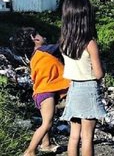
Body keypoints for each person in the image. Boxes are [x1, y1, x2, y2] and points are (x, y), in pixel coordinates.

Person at [59, 0, 106, 156]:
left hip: (73, 88)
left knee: (73, 136)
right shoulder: (90, 43)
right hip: (88, 89)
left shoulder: (64, 41)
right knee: (87, 137)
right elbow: (99, 73)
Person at [11, 27, 70, 156]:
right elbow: (62, 45)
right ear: (35, 38)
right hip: (47, 92)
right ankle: (30, 151)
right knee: (47, 123)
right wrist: (69, 31)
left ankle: (46, 144)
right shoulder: (44, 50)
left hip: (41, 92)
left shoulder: (34, 57)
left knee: (47, 118)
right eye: (40, 34)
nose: (43, 37)